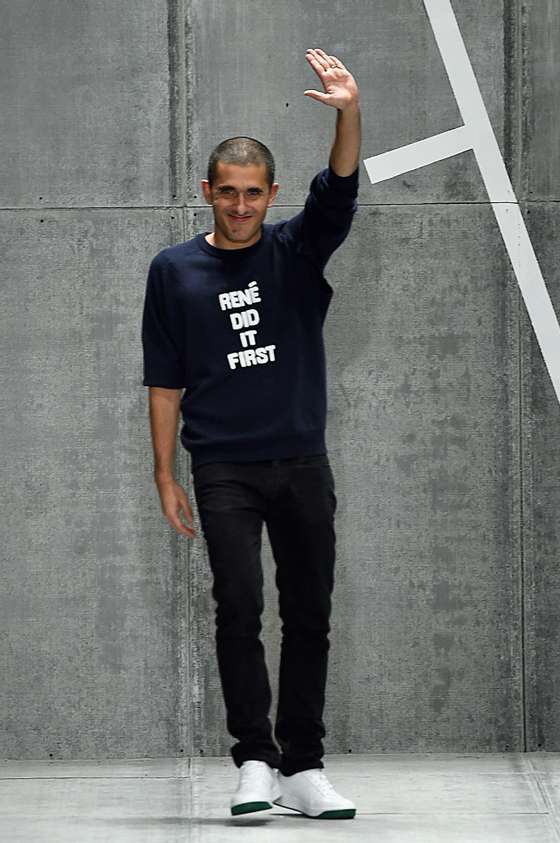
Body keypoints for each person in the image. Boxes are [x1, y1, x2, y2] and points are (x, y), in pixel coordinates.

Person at [141, 47, 361, 820]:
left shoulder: (296, 252)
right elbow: (164, 380)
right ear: (207, 191)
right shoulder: (173, 271)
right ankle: (256, 761)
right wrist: (165, 475)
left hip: (302, 460)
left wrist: (347, 113)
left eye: (253, 194)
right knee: (237, 604)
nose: (239, 207)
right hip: (223, 467)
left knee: (309, 611)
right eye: (227, 193)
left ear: (270, 195)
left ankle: (304, 766)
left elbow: (337, 193)